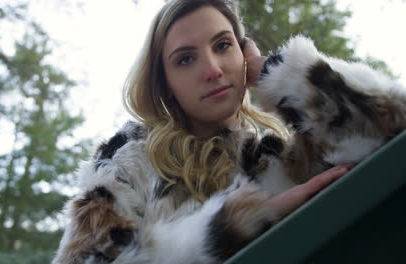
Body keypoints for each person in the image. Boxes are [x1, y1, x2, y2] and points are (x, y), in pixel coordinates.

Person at [51, 0, 359, 263]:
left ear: (243, 55)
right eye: (185, 59)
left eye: (223, 45)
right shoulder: (129, 161)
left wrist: (277, 73)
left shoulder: (281, 156)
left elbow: (388, 134)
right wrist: (239, 226)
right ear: (166, 84)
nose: (213, 69)